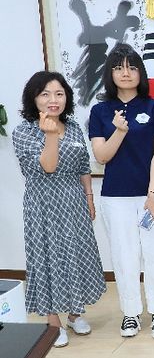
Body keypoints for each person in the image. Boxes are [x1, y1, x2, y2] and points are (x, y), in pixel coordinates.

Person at [89, 43, 154, 339]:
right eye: (118, 68)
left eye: (131, 67)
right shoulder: (100, 111)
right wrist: (119, 130)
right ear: (110, 74)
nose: (125, 73)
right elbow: (102, 156)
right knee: (124, 255)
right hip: (116, 196)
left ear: (141, 72)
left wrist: (152, 193)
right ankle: (130, 314)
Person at [12, 71, 106, 348]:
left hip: (74, 200)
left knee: (77, 253)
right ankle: (54, 323)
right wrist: (51, 135)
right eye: (45, 94)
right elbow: (48, 167)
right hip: (43, 204)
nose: (53, 100)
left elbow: (82, 166)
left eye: (59, 94)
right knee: (48, 258)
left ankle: (75, 314)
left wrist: (89, 197)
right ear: (33, 99)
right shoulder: (24, 131)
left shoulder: (74, 126)